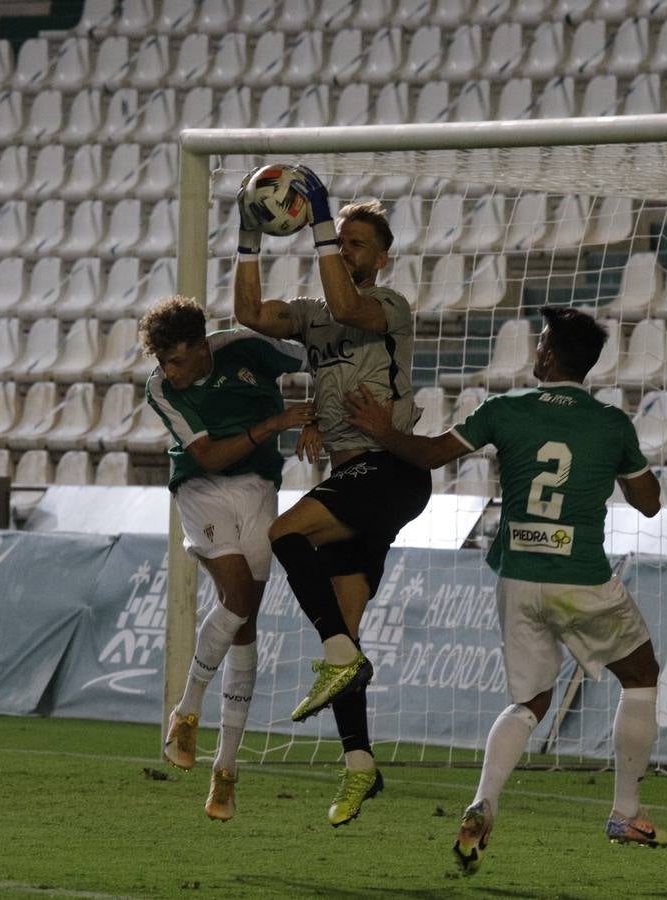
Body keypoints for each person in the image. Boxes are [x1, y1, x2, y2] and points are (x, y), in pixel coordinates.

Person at [343, 306, 667, 873]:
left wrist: (380, 430)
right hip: (581, 578)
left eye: (540, 343)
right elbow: (649, 503)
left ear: (547, 356)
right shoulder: (613, 423)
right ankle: (624, 812)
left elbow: (429, 454)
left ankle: (484, 802)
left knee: (527, 703)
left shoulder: (503, 410)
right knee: (640, 676)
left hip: (517, 578)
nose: (535, 350)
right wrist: (617, 465)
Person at [234, 166, 431, 827]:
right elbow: (247, 313)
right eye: (340, 241)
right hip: (353, 480)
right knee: (343, 638)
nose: (347, 251)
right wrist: (247, 236)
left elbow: (349, 307)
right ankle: (359, 766)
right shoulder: (314, 318)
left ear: (381, 257)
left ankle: (342, 658)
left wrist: (319, 225)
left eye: (356, 244)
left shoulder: (390, 308)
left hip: (389, 469)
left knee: (284, 534)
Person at [144, 295, 314, 821]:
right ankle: (188, 709)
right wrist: (276, 422)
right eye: (161, 361)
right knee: (237, 595)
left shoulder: (247, 348)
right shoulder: (159, 388)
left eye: (175, 360)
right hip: (201, 487)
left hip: (260, 486)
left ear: (200, 349)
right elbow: (210, 455)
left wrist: (316, 419)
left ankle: (226, 770)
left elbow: (322, 359)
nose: (167, 371)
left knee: (244, 622)